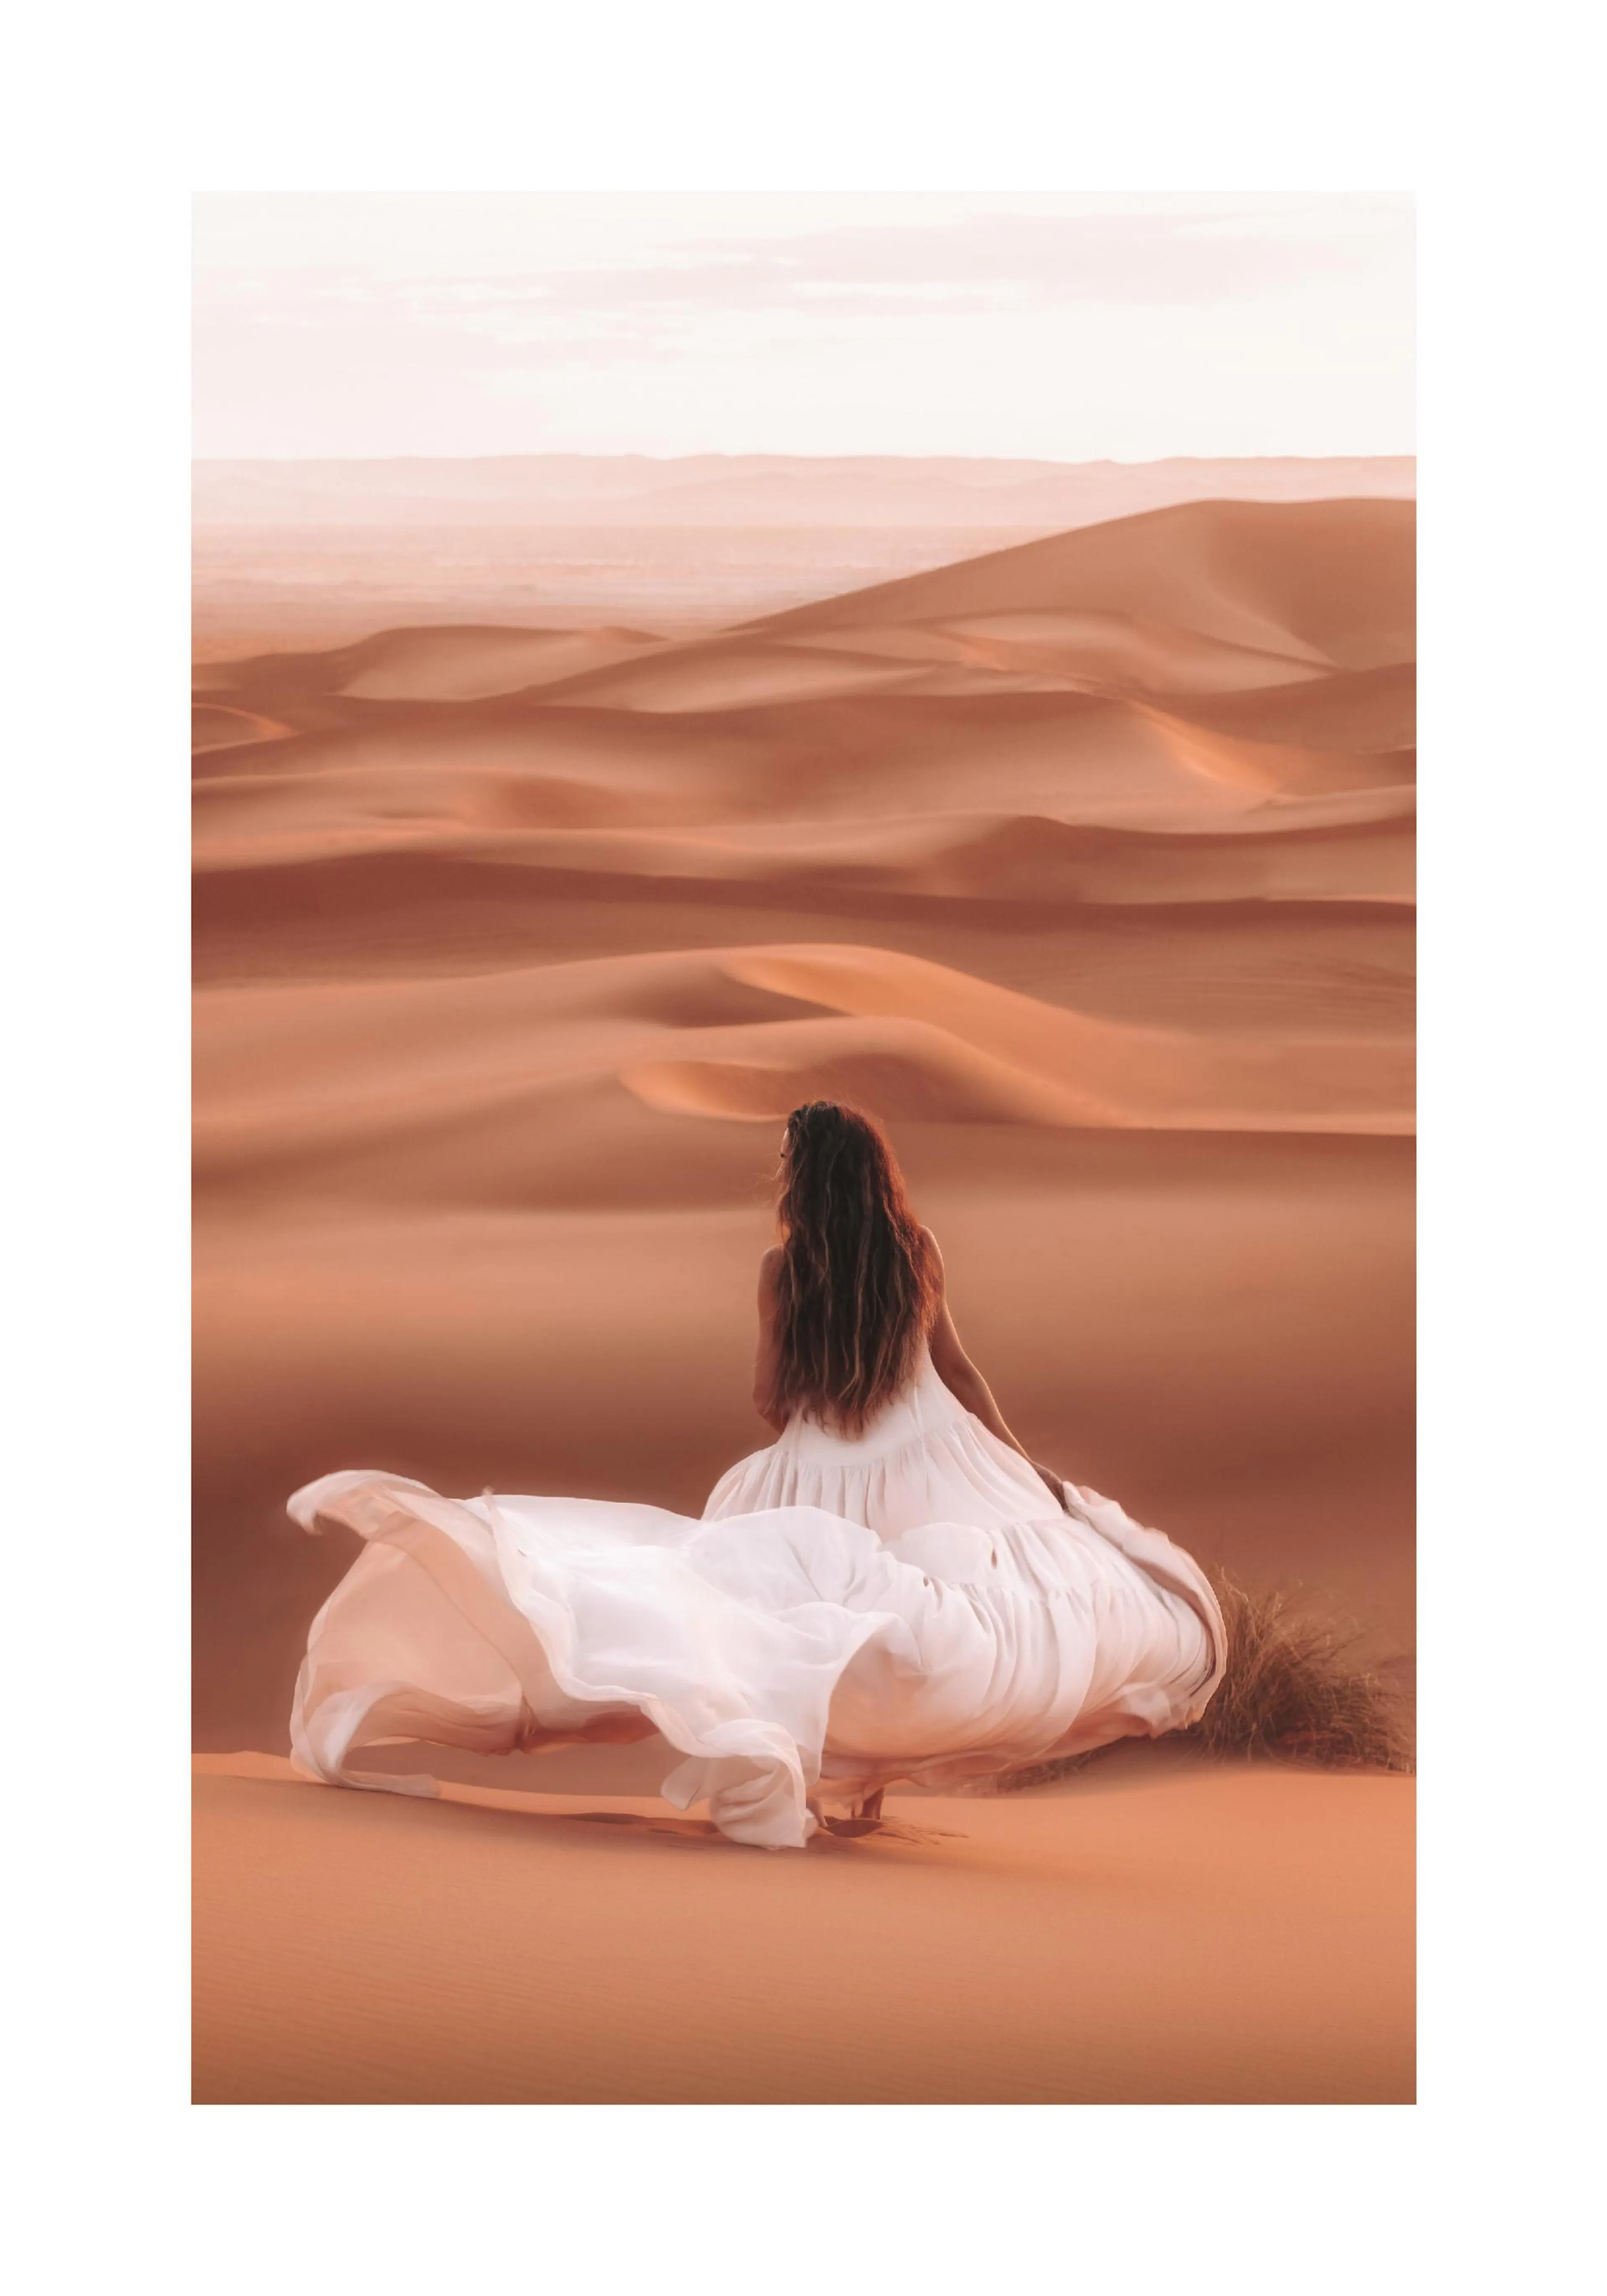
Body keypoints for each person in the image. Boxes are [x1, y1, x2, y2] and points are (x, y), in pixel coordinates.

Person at [289, 1102, 1225, 1848]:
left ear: (804, 1179)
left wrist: (818, 1403)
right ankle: (872, 1801)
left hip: (816, 1471)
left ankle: (812, 1785)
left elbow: (769, 1397)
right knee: (920, 1631)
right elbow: (962, 1373)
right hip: (937, 1456)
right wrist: (1025, 1470)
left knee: (792, 1636)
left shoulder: (784, 1270)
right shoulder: (920, 1252)